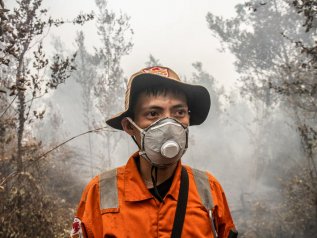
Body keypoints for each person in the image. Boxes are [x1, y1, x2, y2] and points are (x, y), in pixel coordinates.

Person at [70, 66, 238, 238]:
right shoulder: (100, 193)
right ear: (129, 126)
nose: (169, 125)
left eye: (179, 112)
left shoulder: (208, 190)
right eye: (153, 114)